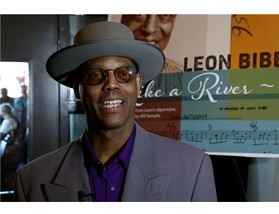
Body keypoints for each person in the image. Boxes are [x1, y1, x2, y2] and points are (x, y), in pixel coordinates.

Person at [14, 21, 217, 201]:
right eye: (95, 75)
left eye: (123, 74)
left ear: (138, 84)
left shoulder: (193, 168)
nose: (111, 84)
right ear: (78, 88)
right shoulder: (32, 180)